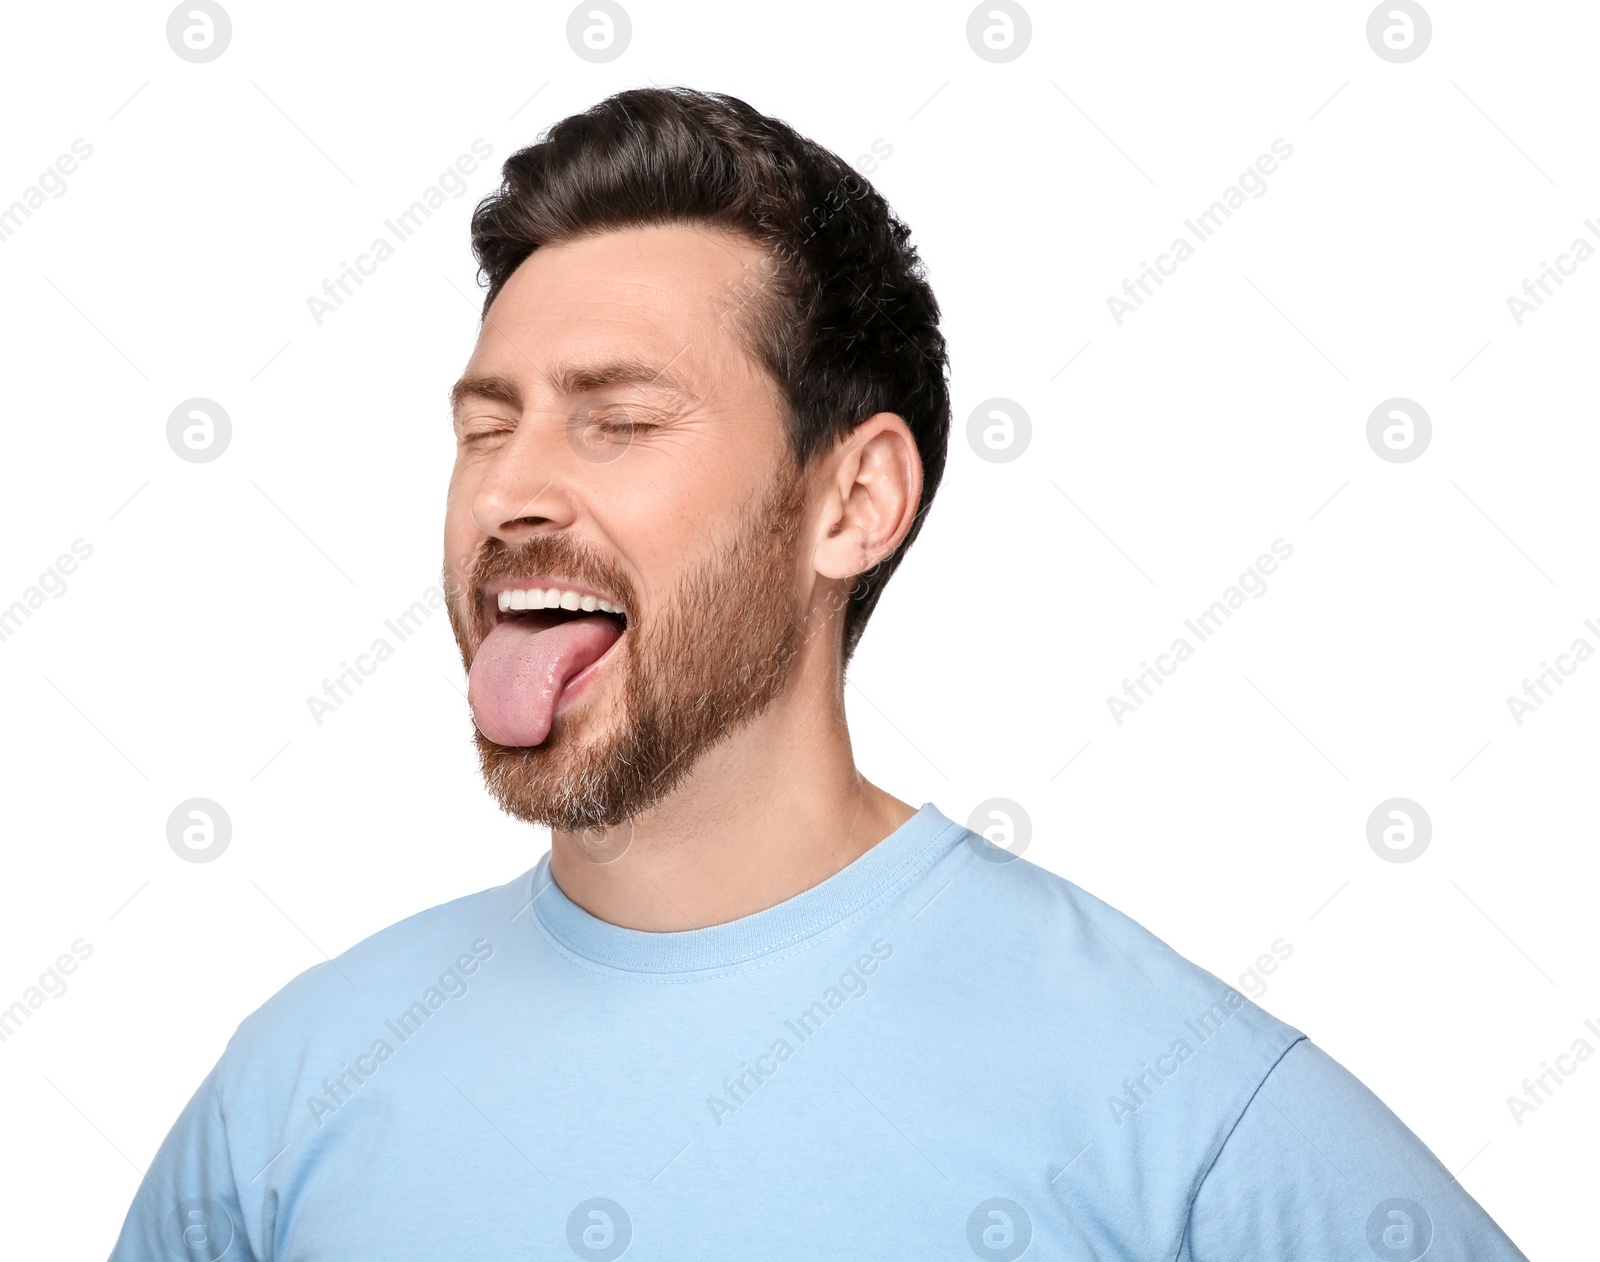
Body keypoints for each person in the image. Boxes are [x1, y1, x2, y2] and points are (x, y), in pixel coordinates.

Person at [111, 86, 1527, 1261]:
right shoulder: (288, 1096)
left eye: (616, 420)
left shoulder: (1180, 1106)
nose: (512, 492)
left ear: (851, 503)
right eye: (488, 427)